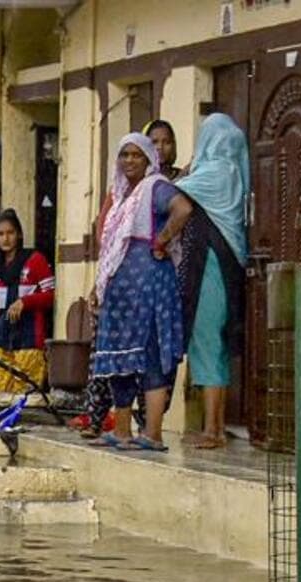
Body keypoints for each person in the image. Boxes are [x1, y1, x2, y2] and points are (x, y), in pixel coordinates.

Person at [89, 133, 193, 452]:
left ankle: (153, 433)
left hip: (148, 285)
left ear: (149, 159)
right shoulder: (122, 196)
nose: (130, 161)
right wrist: (99, 284)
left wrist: (161, 240)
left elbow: (183, 209)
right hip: (121, 291)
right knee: (120, 356)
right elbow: (110, 247)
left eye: (137, 155)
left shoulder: (155, 187)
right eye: (125, 155)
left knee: (151, 355)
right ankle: (121, 431)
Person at [175, 113, 250, 450]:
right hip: (227, 266)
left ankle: (212, 430)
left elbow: (171, 193)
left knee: (206, 343)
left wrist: (189, 166)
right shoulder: (234, 173)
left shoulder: (214, 174)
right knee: (215, 348)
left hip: (211, 269)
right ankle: (215, 426)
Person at [0, 209, 55, 398]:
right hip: (2, 343)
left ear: (19, 234)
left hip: (29, 342)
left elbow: (51, 296)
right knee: (4, 400)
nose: (5, 239)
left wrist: (26, 302)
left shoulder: (35, 261)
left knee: (27, 400)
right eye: (0, 234)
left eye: (10, 233)